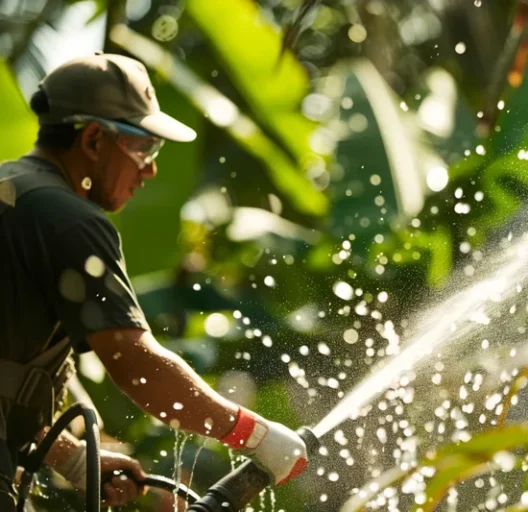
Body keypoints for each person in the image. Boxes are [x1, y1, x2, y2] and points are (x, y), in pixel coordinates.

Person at [0, 53, 308, 508]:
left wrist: (72, 459)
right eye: (143, 149)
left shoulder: (13, 191)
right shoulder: (67, 218)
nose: (150, 170)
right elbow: (134, 362)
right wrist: (253, 434)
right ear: (92, 140)